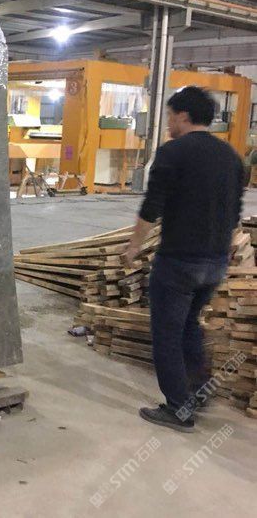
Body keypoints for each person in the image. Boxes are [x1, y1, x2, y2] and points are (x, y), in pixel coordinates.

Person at [122, 86, 244, 432]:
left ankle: (178, 408)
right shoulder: (231, 157)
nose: (168, 123)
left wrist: (133, 247)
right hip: (215, 261)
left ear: (184, 116)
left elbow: (152, 207)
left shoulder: (173, 153)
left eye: (170, 116)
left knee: (167, 334)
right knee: (190, 325)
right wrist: (227, 249)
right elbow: (234, 212)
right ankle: (199, 391)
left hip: (179, 262)